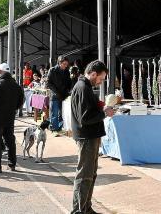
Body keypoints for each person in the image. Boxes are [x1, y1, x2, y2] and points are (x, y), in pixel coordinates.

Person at [70, 60, 114, 214]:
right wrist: (104, 113)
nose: (101, 82)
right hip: (87, 137)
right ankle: (79, 210)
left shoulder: (85, 87)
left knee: (90, 174)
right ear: (93, 74)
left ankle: (85, 207)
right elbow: (85, 117)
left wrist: (100, 106)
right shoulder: (83, 88)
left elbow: (87, 109)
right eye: (100, 79)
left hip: (90, 136)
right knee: (85, 175)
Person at [0, 63, 24, 173]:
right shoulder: (16, 86)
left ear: (0, 72)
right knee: (10, 140)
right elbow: (21, 102)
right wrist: (12, 109)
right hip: (10, 117)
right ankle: (12, 164)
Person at [47, 56, 72, 134]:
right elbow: (49, 83)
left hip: (64, 95)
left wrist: (69, 90)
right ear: (59, 63)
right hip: (55, 95)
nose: (65, 66)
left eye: (66, 64)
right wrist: (56, 92)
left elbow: (69, 82)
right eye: (64, 64)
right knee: (54, 112)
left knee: (62, 112)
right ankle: (54, 128)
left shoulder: (67, 71)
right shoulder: (52, 70)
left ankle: (60, 128)